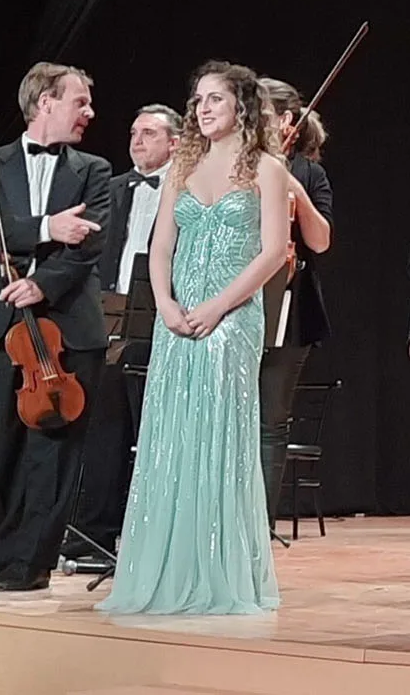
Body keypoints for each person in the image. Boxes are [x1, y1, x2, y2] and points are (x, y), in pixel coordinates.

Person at [99, 61, 289, 615]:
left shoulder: (268, 170)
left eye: (216, 100)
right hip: (175, 319)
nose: (204, 109)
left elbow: (273, 252)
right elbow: (159, 249)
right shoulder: (183, 166)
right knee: (169, 437)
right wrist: (166, 305)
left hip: (231, 321)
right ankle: (165, 567)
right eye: (199, 100)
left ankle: (218, 570)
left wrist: (216, 306)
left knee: (219, 439)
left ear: (242, 108)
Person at [0, 63, 113, 592]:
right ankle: (1, 557)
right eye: (81, 101)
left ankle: (32, 564)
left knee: (53, 451)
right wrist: (48, 227)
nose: (89, 112)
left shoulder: (93, 168)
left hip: (67, 325)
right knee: (4, 449)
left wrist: (42, 284)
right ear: (45, 101)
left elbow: (90, 243)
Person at [67, 104, 180, 563]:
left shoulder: (186, 187)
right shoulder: (111, 187)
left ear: (174, 143)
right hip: (109, 318)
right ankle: (93, 537)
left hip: (165, 321)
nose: (137, 140)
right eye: (134, 132)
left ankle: (150, 542)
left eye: (149, 133)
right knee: (103, 432)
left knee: (152, 433)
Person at [256, 78, 334, 528]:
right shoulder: (235, 166)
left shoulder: (307, 173)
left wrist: (294, 190)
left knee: (272, 418)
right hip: (233, 304)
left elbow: (320, 242)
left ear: (286, 120)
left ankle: (260, 522)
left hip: (289, 304)